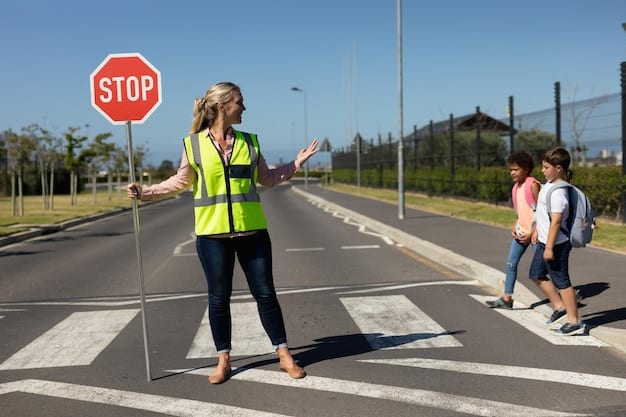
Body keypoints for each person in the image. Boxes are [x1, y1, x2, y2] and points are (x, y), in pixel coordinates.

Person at [127, 81, 319, 383]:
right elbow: (180, 181)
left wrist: (295, 164)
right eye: (240, 102)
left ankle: (284, 355)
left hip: (252, 232)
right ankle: (223, 360)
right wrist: (145, 192)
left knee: (266, 295)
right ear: (223, 107)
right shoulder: (193, 145)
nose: (244, 108)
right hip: (212, 236)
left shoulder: (250, 141)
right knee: (218, 298)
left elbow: (267, 179)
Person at [528, 146, 587, 335]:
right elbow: (543, 214)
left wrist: (550, 248)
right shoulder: (548, 186)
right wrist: (537, 229)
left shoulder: (559, 192)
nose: (542, 170)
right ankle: (560, 306)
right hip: (544, 241)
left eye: (546, 167)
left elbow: (556, 222)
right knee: (536, 274)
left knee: (562, 280)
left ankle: (574, 320)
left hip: (557, 244)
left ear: (559, 168)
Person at [486, 151, 540, 309]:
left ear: (526, 168)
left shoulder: (533, 185)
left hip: (536, 233)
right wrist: (515, 226)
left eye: (515, 169)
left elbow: (542, 212)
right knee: (511, 264)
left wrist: (534, 232)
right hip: (521, 232)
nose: (512, 173)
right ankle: (507, 298)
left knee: (546, 268)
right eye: (511, 170)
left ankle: (566, 294)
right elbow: (521, 212)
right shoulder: (516, 188)